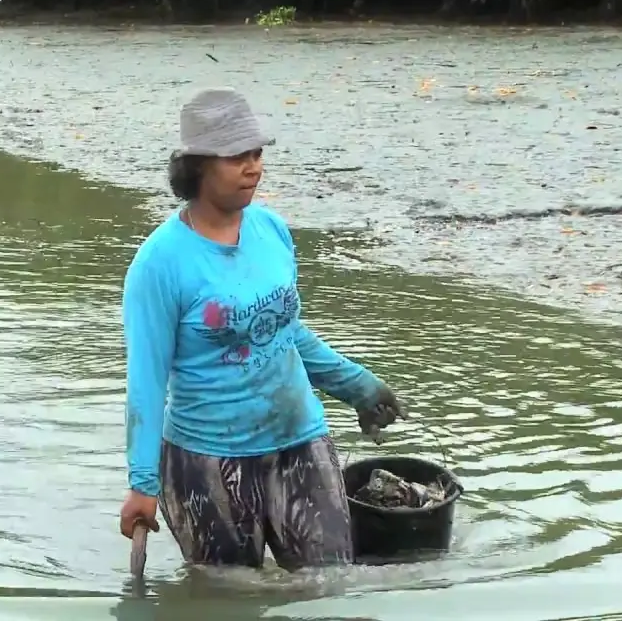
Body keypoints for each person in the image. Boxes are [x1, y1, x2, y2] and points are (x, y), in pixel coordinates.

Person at [118, 88, 406, 570]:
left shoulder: (271, 231)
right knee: (230, 599)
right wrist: (142, 485)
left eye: (257, 154)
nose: (253, 167)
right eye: (236, 157)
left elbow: (284, 333)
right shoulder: (160, 264)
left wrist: (357, 385)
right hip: (207, 460)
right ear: (198, 167)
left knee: (330, 587)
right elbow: (146, 383)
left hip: (300, 439)